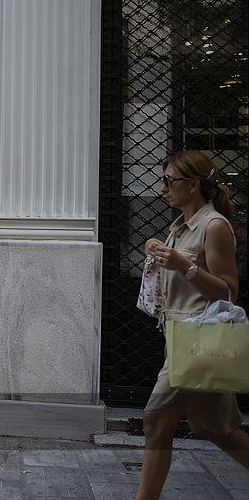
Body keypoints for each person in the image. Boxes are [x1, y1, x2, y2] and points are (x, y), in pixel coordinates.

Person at [136, 150, 249, 499]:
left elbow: (228, 290)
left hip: (199, 340)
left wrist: (184, 266)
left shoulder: (214, 226)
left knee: (156, 420)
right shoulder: (181, 226)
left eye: (169, 180)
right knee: (215, 429)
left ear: (193, 184)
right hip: (180, 337)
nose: (164, 187)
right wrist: (159, 252)